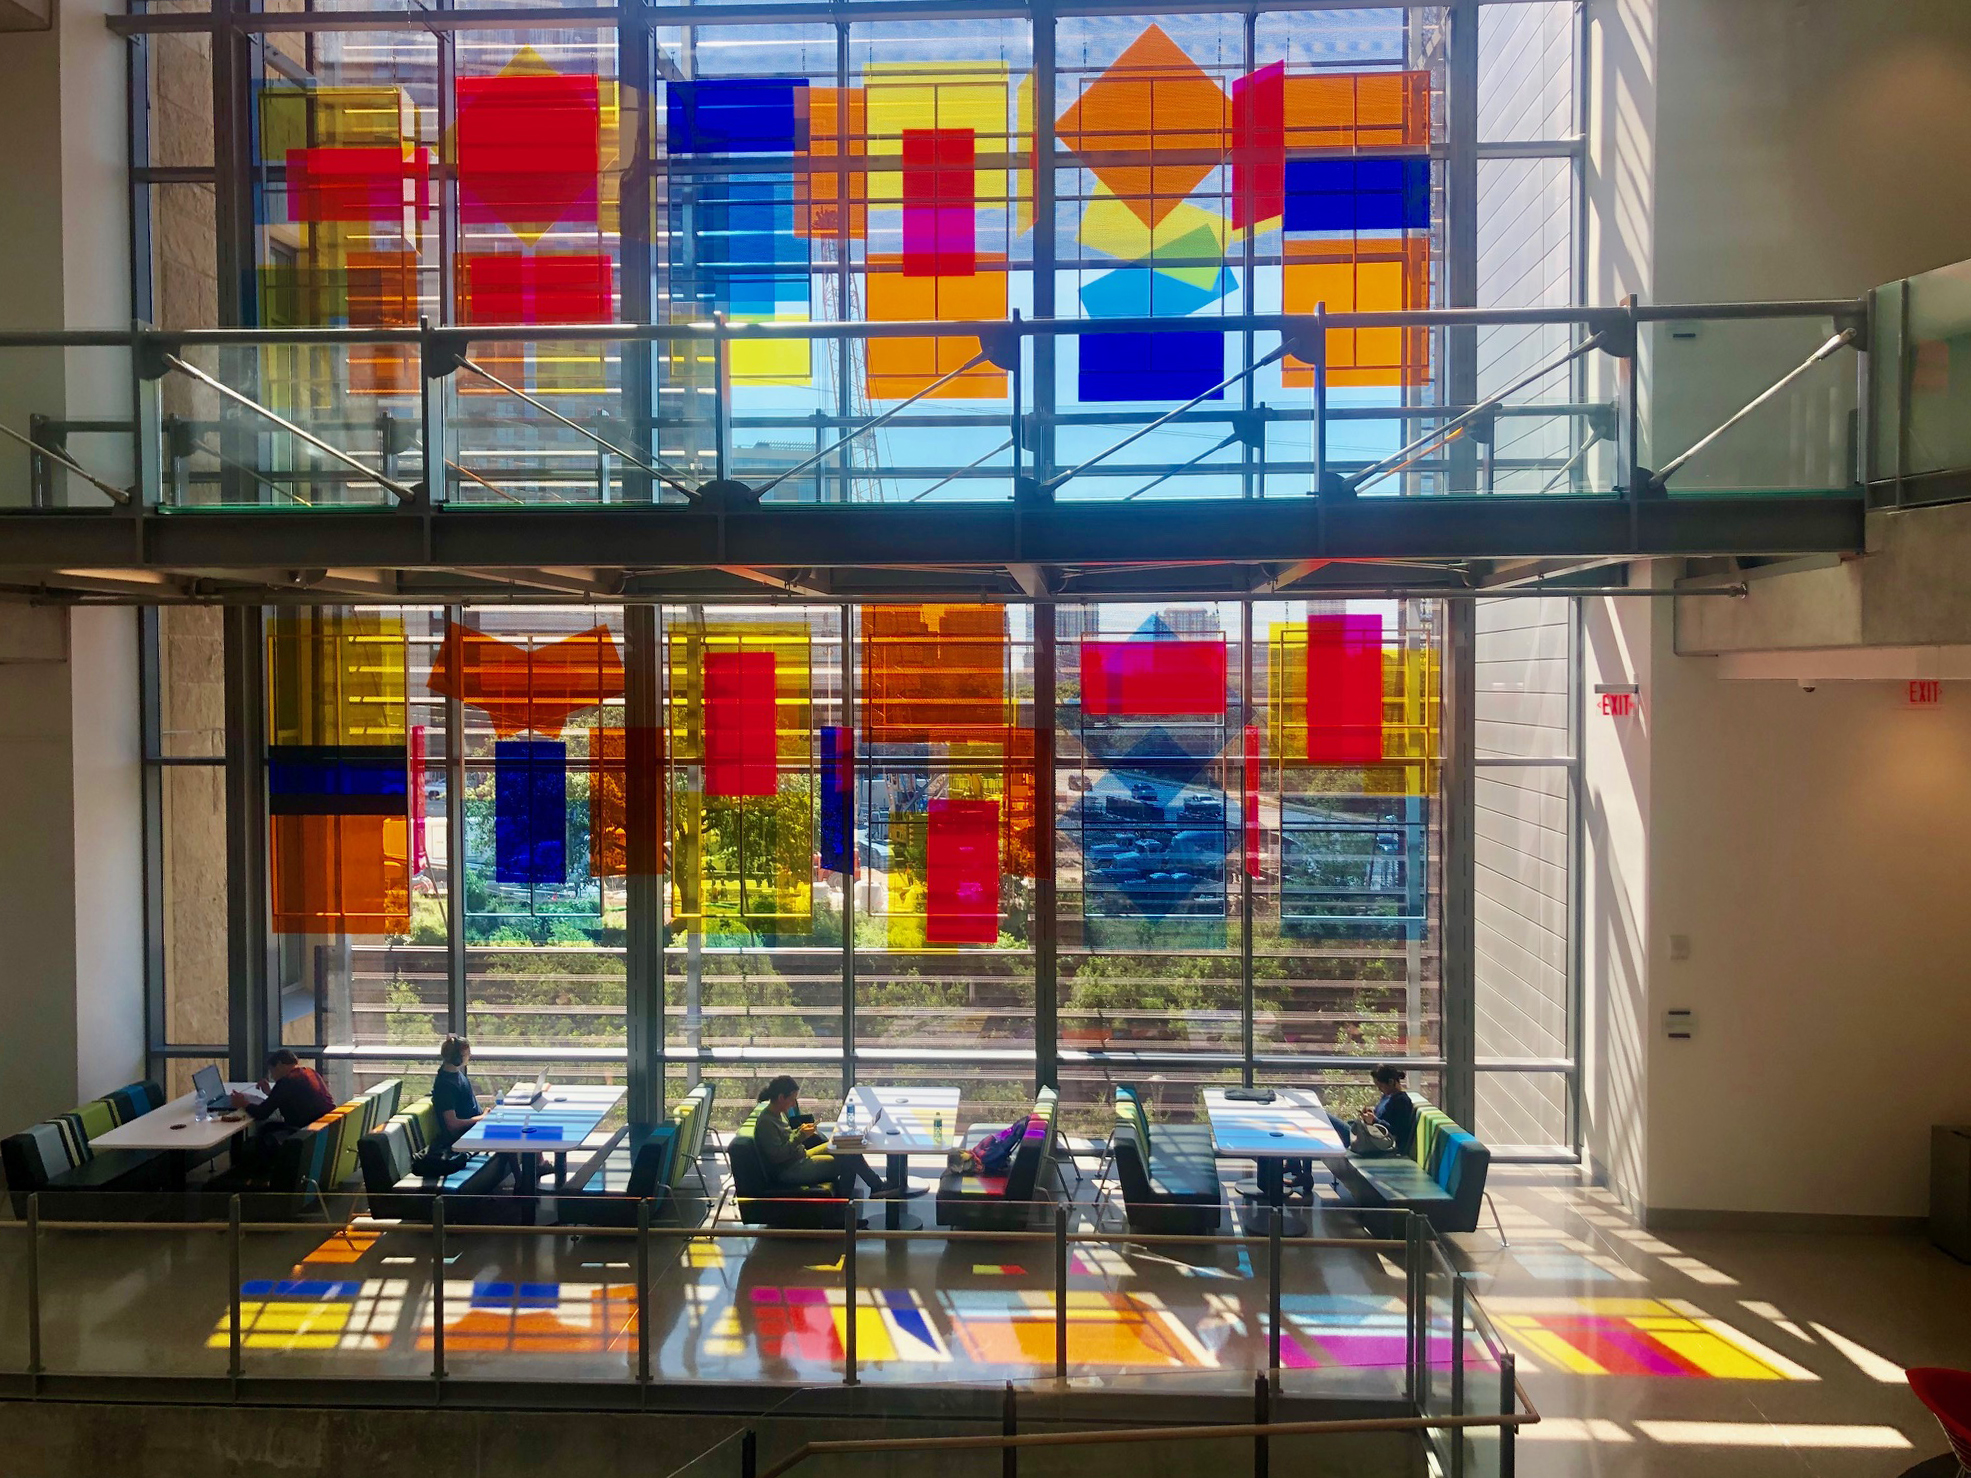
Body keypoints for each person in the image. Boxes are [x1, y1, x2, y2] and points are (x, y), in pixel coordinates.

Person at [432, 1036, 535, 1196]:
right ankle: (522, 1184)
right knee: (509, 1134)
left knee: (516, 1120)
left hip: (475, 1125)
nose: (470, 1056)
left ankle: (531, 1171)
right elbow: (452, 1125)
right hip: (462, 1136)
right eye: (467, 1054)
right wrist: (482, 1118)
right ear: (458, 1058)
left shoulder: (454, 1075)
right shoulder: (445, 1086)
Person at [754, 1076, 886, 1197]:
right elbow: (777, 1156)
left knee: (844, 1147)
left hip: (799, 1156)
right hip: (790, 1170)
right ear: (781, 1097)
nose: (794, 1104)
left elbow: (786, 1138)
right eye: (792, 1099)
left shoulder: (778, 1113)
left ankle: (877, 1186)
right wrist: (800, 1136)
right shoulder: (766, 1123)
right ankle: (843, 1214)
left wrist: (800, 1130)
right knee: (846, 1163)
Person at [229, 1049, 336, 1175]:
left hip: (305, 1132)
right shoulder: (309, 1072)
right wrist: (270, 1093)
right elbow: (295, 1098)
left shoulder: (287, 1081)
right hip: (322, 1128)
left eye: (272, 1071)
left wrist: (243, 1103)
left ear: (279, 1065)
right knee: (268, 1128)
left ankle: (244, 1172)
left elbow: (262, 1113)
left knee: (263, 1134)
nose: (272, 1076)